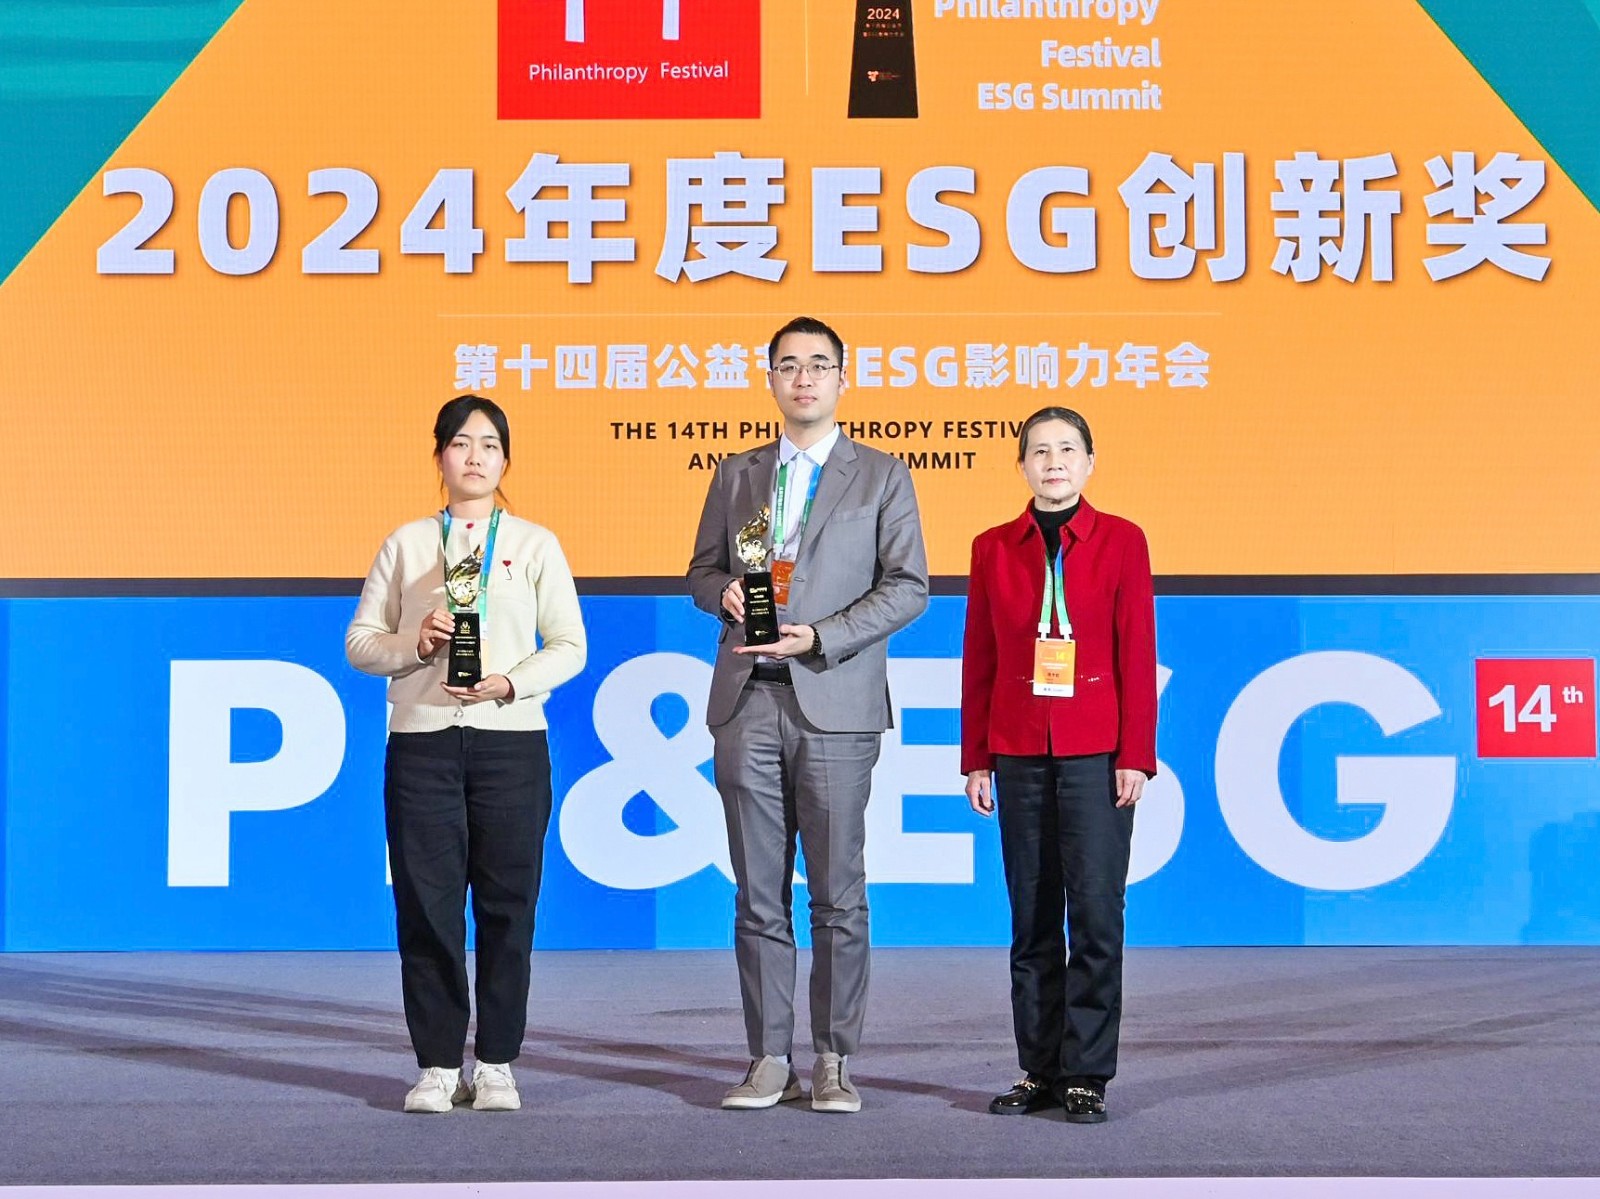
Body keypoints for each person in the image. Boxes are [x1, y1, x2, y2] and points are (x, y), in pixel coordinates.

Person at [687, 316, 929, 1114]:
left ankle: (833, 1058)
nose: (803, 378)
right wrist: (721, 591)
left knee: (837, 894)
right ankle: (767, 1058)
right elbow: (701, 570)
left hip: (835, 701)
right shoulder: (738, 473)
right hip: (748, 698)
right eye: (788, 365)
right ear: (770, 379)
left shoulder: (881, 475)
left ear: (842, 379)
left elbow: (908, 587)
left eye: (818, 365)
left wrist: (821, 634)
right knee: (758, 895)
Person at [346, 395, 586, 1114]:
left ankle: (498, 1062)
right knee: (427, 905)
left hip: (511, 743)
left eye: (489, 444)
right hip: (421, 742)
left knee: (509, 907)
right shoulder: (407, 543)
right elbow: (360, 642)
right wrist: (414, 644)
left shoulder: (535, 544)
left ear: (506, 460)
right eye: (460, 443)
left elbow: (570, 645)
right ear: (439, 456)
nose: (474, 456)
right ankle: (437, 1064)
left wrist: (511, 681)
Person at [960, 405, 1156, 1124]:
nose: (1053, 462)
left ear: (1089, 461)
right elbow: (979, 654)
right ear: (1021, 465)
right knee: (1032, 917)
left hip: (1097, 752)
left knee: (1097, 914)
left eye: (1067, 449)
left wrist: (1136, 754)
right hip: (1016, 749)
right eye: (1039, 451)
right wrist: (976, 757)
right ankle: (1039, 1069)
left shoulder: (1122, 540)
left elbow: (1137, 650)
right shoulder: (992, 547)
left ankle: (1087, 1074)